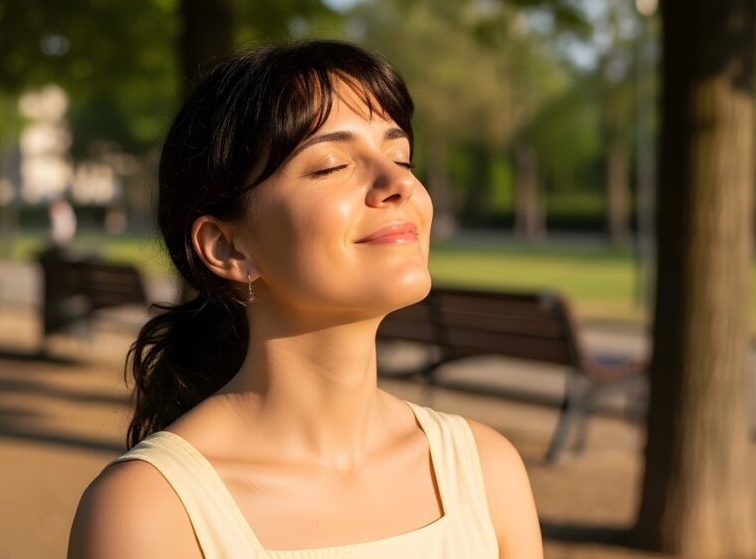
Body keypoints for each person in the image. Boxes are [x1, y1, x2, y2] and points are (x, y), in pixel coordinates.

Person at [67, 40, 542, 558]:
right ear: (227, 247)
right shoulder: (149, 510)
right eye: (332, 165)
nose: (397, 183)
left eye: (400, 156)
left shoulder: (485, 472)